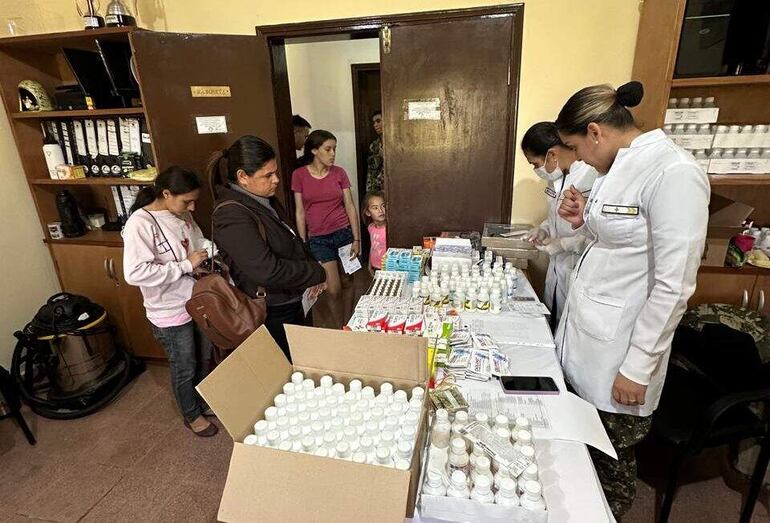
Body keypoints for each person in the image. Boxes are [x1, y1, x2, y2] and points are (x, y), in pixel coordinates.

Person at [554, 81, 710, 518]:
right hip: (588, 342)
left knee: (610, 470)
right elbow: (615, 241)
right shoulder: (616, 170)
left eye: (576, 146)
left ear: (596, 132)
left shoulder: (673, 173)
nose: (578, 158)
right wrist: (582, 220)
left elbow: (674, 283)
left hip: (620, 358)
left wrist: (638, 367)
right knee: (581, 459)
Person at [208, 136, 326, 358]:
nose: (277, 180)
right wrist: (314, 272)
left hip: (291, 299)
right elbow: (266, 270)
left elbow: (291, 239)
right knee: (286, 368)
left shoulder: (264, 199)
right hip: (270, 310)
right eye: (268, 175)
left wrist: (311, 266)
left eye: (275, 172)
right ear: (242, 177)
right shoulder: (231, 214)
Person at [122, 166, 217, 437]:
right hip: (168, 310)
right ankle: (190, 414)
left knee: (203, 356)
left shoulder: (182, 215)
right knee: (183, 363)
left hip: (196, 300)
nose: (192, 206)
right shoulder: (140, 224)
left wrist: (209, 250)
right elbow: (135, 273)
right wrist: (185, 265)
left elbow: (199, 242)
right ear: (165, 194)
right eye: (186, 200)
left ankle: (199, 401)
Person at [521, 122, 598, 328]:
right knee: (553, 326)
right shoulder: (557, 178)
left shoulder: (590, 178)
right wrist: (544, 229)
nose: (537, 170)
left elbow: (598, 234)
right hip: (557, 270)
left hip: (578, 270)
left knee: (570, 330)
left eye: (535, 164)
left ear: (552, 155)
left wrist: (563, 244)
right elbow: (555, 216)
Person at [292, 130, 361, 328]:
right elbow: (300, 212)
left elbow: (349, 205)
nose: (332, 154)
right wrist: (303, 243)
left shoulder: (339, 173)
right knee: (333, 289)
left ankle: (347, 323)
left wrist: (356, 238)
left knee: (348, 281)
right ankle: (338, 326)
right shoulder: (299, 175)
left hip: (343, 234)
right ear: (314, 150)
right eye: (328, 149)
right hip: (319, 239)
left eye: (334, 149)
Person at [363, 191, 387, 275]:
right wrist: (369, 265)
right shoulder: (371, 227)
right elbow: (373, 246)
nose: (380, 210)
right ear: (368, 212)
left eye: (383, 206)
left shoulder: (390, 229)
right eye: (375, 208)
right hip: (375, 267)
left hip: (387, 268)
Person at [366, 110, 384, 193]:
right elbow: (370, 172)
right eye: (374, 123)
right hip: (377, 188)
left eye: (378, 121)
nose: (375, 125)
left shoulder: (396, 145)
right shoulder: (374, 146)